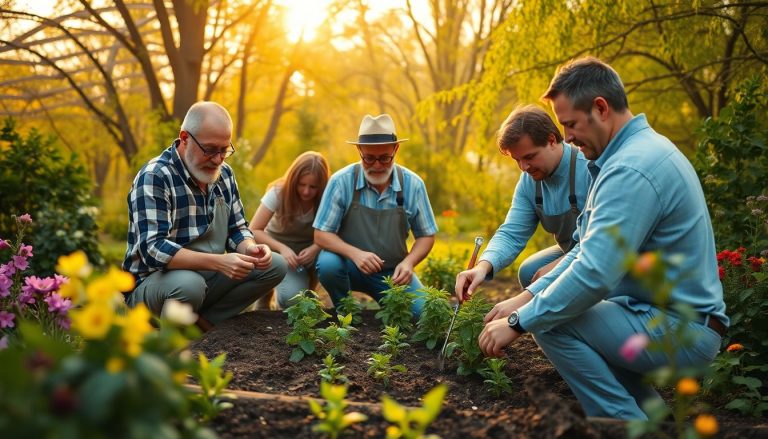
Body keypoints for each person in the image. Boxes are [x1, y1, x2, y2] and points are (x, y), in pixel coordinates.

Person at [456, 57, 728, 419]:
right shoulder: (635, 153)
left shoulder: (630, 169)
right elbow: (583, 252)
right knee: (550, 306)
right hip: (656, 313)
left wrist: (520, 320)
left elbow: (594, 272)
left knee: (552, 319)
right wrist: (523, 297)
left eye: (569, 124)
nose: (567, 136)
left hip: (680, 329)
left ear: (600, 108)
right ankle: (653, 416)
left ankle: (620, 424)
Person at [123, 101, 287, 330]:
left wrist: (250, 249)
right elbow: (153, 250)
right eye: (210, 149)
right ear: (185, 137)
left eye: (225, 149)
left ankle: (206, 325)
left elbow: (238, 229)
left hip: (205, 278)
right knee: (189, 285)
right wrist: (220, 262)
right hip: (153, 286)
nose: (219, 159)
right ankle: (169, 341)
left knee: (275, 265)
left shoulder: (224, 174)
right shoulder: (155, 176)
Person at [313, 114, 438, 315]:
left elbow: (426, 236)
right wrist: (356, 254)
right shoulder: (341, 182)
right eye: (369, 158)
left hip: (392, 273)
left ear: (396, 149)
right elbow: (321, 234)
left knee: (423, 315)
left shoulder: (412, 184)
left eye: (385, 158)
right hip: (349, 266)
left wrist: (409, 263)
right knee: (328, 264)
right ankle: (345, 311)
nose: (377, 165)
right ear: (359, 150)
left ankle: (389, 303)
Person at [468, 105, 589, 289]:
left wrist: (559, 267)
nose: (524, 167)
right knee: (529, 271)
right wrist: (483, 266)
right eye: (517, 160)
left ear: (551, 140)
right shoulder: (529, 181)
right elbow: (511, 233)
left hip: (602, 255)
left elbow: (602, 241)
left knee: (546, 277)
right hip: (571, 251)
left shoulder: (588, 168)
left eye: (529, 157)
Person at [248, 151, 330, 308]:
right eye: (301, 184)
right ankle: (266, 294)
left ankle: (308, 292)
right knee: (292, 298)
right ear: (293, 180)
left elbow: (336, 231)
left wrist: (316, 247)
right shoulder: (278, 193)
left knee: (306, 297)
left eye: (313, 187)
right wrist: (282, 249)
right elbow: (254, 229)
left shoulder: (328, 196)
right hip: (279, 250)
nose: (306, 191)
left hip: (311, 251)